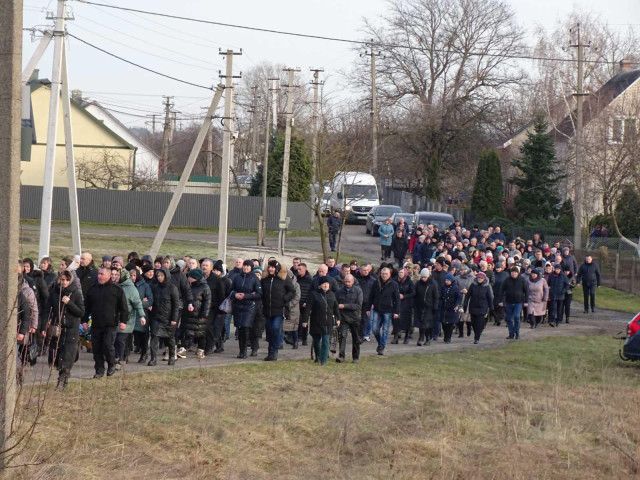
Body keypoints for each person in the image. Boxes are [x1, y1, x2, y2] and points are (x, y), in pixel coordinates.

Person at [82, 267, 129, 378]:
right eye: (98, 274)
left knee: (108, 346)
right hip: (96, 324)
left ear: (109, 276)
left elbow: (123, 308)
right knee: (96, 348)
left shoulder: (116, 290)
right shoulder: (93, 289)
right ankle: (99, 370)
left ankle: (111, 364)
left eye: (102, 274)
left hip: (110, 324)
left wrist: (123, 321)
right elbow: (87, 307)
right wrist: (84, 320)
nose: (99, 276)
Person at [46, 271, 84, 390]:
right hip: (57, 328)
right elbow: (48, 309)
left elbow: (81, 312)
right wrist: (45, 323)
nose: (64, 282)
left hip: (71, 329)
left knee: (67, 355)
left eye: (67, 280)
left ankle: (62, 379)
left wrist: (69, 303)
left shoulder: (76, 293)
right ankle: (63, 374)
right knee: (56, 354)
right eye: (62, 280)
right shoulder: (54, 293)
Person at [261, 260, 296, 361]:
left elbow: (292, 291)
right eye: (269, 267)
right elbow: (261, 291)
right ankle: (270, 352)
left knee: (275, 328)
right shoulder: (265, 279)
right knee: (269, 331)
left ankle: (274, 351)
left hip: (280, 309)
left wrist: (284, 299)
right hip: (268, 310)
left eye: (273, 267)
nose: (271, 269)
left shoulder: (284, 278)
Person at [113, 268, 145, 368]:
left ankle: (121, 359)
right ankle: (116, 357)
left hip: (127, 319)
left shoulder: (132, 289)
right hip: (115, 318)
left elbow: (138, 303)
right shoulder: (115, 286)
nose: (116, 277)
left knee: (120, 340)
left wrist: (142, 316)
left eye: (118, 275)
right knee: (114, 339)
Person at [148, 268, 180, 366]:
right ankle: (153, 359)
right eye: (158, 276)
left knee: (170, 338)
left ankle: (172, 356)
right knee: (154, 337)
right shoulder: (155, 288)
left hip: (168, 318)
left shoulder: (172, 288)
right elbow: (151, 300)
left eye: (161, 276)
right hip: (156, 317)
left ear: (166, 276)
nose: (159, 278)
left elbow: (176, 305)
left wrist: (174, 319)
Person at [305, 277, 340, 366]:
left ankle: (323, 360)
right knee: (316, 341)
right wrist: (305, 320)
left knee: (326, 341)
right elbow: (308, 308)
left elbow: (336, 307)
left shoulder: (332, 294)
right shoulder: (314, 294)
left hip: (328, 322)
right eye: (324, 284)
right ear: (320, 285)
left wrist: (338, 318)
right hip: (316, 321)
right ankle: (318, 356)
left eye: (327, 284)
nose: (325, 285)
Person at [231, 260, 262, 359]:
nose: (246, 267)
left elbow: (259, 294)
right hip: (238, 305)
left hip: (249, 306)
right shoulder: (237, 277)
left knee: (245, 327)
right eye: (244, 266)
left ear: (251, 267)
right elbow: (230, 290)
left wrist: (246, 296)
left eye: (248, 266)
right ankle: (241, 351)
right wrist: (235, 294)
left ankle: (245, 351)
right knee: (240, 328)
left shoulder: (254, 279)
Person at [367, 267, 400, 355]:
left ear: (389, 274)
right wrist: (368, 308)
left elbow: (397, 299)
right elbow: (371, 296)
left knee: (385, 329)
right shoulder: (376, 283)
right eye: (383, 274)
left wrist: (396, 311)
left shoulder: (394, 284)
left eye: (386, 274)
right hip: (377, 309)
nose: (384, 275)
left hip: (388, 310)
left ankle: (382, 347)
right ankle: (380, 342)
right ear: (380, 274)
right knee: (375, 329)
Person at [182, 268, 212, 359]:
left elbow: (207, 302)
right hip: (189, 314)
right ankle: (184, 348)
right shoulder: (189, 286)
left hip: (199, 315)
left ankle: (201, 350)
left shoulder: (205, 287)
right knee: (188, 333)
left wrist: (204, 314)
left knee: (200, 333)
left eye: (190, 277)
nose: (188, 278)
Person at [335, 274, 362, 363]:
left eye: (349, 281)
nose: (347, 283)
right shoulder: (339, 292)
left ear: (353, 282)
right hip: (343, 318)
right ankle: (341, 356)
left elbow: (358, 306)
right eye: (346, 281)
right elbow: (335, 304)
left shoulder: (358, 291)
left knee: (356, 338)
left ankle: (355, 357)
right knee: (342, 336)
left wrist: (345, 306)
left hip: (355, 318)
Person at [201, 258, 226, 355]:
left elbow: (221, 295)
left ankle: (209, 346)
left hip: (213, 307)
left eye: (206, 265)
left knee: (208, 326)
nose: (204, 267)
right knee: (203, 327)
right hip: (201, 306)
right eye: (203, 265)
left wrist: (221, 310)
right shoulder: (200, 277)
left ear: (211, 267)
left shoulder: (216, 279)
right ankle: (217, 345)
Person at [130, 267, 153, 363]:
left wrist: (138, 303)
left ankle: (144, 354)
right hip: (130, 314)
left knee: (142, 335)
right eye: (131, 275)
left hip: (141, 314)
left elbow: (150, 301)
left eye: (134, 275)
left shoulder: (145, 286)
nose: (133, 277)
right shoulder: (128, 285)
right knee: (129, 336)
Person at [462, 271, 493, 344]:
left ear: (484, 279)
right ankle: (477, 333)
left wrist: (491, 307)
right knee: (473, 323)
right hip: (473, 306)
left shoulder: (487, 287)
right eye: (478, 277)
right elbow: (468, 296)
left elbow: (489, 298)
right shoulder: (473, 285)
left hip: (483, 307)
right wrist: (465, 304)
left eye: (481, 278)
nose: (479, 279)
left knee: (479, 323)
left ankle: (477, 338)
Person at [499, 267, 529, 340]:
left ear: (518, 273)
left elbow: (527, 291)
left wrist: (526, 301)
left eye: (515, 272)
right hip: (508, 302)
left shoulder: (522, 280)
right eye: (512, 272)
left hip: (518, 302)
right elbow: (501, 290)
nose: (514, 274)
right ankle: (511, 334)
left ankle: (517, 333)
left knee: (516, 317)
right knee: (509, 319)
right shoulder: (507, 280)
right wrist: (501, 301)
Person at [413, 268, 439, 346]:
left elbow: (436, 296)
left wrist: (435, 306)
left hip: (429, 306)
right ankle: (427, 338)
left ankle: (421, 338)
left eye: (424, 277)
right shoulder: (418, 283)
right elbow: (415, 293)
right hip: (419, 306)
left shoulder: (432, 284)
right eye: (422, 277)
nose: (423, 279)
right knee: (421, 323)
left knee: (425, 322)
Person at [355, 264, 377, 342]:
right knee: (356, 319)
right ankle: (357, 334)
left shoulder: (372, 280)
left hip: (367, 303)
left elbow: (375, 293)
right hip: (356, 302)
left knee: (365, 319)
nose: (366, 272)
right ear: (360, 271)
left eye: (367, 270)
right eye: (364, 270)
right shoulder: (355, 279)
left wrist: (373, 302)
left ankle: (362, 335)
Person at [438, 273, 462, 344]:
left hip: (452, 308)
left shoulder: (456, 288)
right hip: (444, 307)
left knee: (450, 324)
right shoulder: (443, 287)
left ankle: (448, 337)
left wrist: (457, 305)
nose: (446, 281)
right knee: (444, 323)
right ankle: (445, 336)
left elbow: (459, 297)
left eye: (448, 280)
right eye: (445, 280)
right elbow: (440, 295)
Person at [393, 267, 415, 344]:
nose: (400, 274)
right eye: (399, 272)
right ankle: (395, 337)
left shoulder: (409, 282)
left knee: (407, 320)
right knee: (396, 320)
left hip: (407, 303)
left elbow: (413, 293)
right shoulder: (394, 281)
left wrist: (404, 296)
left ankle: (406, 336)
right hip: (397, 303)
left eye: (402, 272)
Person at [296, 263, 313, 346]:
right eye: (298, 269)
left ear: (305, 270)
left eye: (300, 269)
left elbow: (311, 292)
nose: (298, 271)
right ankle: (298, 336)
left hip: (306, 303)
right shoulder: (297, 278)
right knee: (298, 320)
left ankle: (304, 338)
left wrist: (307, 301)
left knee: (304, 321)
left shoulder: (310, 280)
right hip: (298, 302)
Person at [283, 270, 301, 349]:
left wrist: (289, 305)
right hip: (284, 308)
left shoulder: (296, 285)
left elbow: (297, 297)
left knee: (294, 327)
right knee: (283, 326)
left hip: (293, 309)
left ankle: (295, 342)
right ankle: (282, 341)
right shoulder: (283, 284)